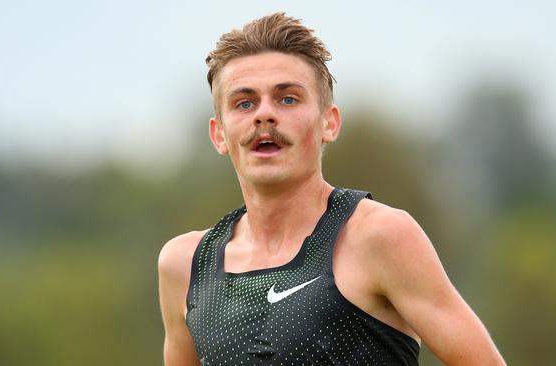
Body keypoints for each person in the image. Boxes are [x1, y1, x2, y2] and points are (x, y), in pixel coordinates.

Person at [158, 12, 506, 366]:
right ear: (219, 134)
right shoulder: (184, 265)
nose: (264, 115)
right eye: (244, 103)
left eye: (288, 99)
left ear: (329, 123)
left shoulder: (379, 236)